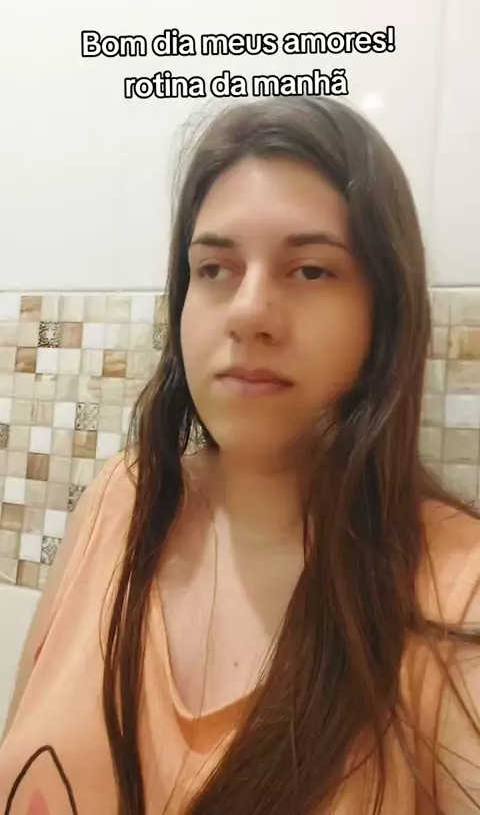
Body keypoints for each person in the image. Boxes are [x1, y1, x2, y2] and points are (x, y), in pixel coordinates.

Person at [1, 96, 479, 815]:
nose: (249, 311)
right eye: (215, 268)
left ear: (385, 316)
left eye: (311, 270)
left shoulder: (458, 593)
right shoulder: (119, 503)